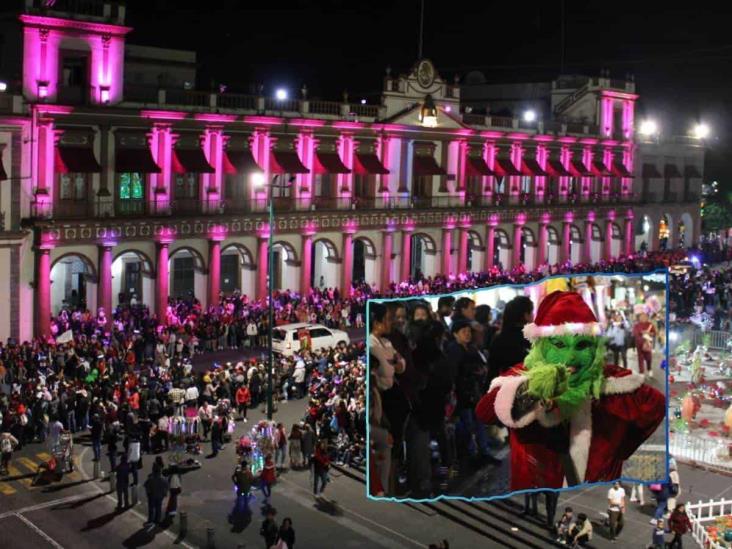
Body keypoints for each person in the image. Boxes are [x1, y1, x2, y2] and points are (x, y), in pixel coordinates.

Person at [476, 291, 666, 490]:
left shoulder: (612, 382)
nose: (571, 357)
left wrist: (618, 449)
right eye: (559, 344)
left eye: (582, 345)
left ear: (594, 348)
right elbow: (485, 412)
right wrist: (534, 388)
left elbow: (657, 405)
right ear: (541, 345)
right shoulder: (522, 374)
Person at [488, 295, 533, 377]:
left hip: (505, 385)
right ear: (526, 315)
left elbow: (493, 370)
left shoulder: (498, 338)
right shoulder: (530, 337)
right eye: (531, 312)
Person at [633, 312, 657, 376]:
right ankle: (641, 372)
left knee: (649, 358)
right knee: (640, 358)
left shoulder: (650, 324)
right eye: (642, 316)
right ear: (639, 318)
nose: (643, 318)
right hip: (639, 344)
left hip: (648, 344)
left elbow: (654, 333)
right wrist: (642, 333)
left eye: (645, 316)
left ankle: (649, 369)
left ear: (647, 317)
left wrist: (649, 333)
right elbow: (635, 334)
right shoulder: (636, 325)